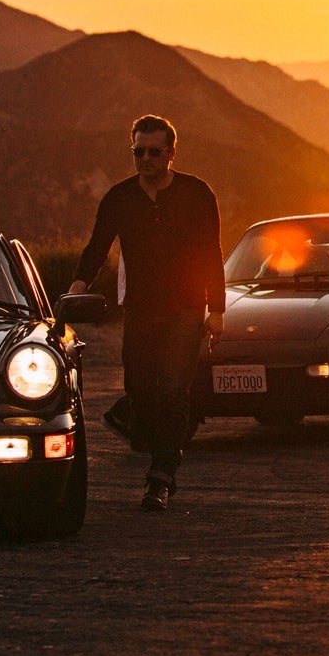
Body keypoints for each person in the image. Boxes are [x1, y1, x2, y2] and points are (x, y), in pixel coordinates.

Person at [68, 115, 224, 511]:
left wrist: (217, 308)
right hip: (139, 309)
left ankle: (162, 474)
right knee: (139, 386)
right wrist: (76, 289)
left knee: (173, 389)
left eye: (155, 152)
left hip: (187, 309)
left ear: (172, 153)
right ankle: (164, 447)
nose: (146, 159)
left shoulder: (197, 193)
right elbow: (97, 248)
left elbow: (211, 253)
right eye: (139, 151)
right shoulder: (120, 197)